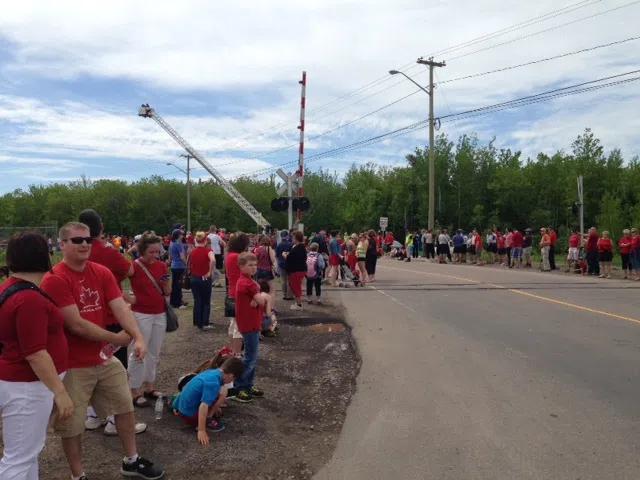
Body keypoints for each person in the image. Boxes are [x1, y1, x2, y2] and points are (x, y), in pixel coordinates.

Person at [40, 222, 164, 480]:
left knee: (124, 407)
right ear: (61, 244)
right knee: (72, 426)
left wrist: (138, 337)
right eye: (76, 240)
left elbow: (119, 306)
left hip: (103, 358)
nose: (84, 244)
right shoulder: (55, 278)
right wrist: (117, 338)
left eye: (87, 239)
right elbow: (75, 325)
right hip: (72, 363)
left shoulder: (101, 272)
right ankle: (78, 475)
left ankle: (131, 460)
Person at [0, 232, 73, 480]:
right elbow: (35, 353)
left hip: (23, 383)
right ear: (45, 256)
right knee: (18, 459)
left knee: (28, 453)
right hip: (28, 386)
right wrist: (61, 393)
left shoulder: (11, 288)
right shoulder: (28, 298)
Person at [77, 209, 146, 437]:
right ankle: (116, 421)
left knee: (90, 367)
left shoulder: (76, 252)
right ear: (102, 228)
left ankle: (93, 415)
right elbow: (131, 269)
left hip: (84, 320)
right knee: (116, 370)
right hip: (109, 319)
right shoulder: (106, 252)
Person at [129, 232, 171, 407]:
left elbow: (167, 290)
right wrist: (128, 298)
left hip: (159, 312)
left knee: (154, 352)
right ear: (141, 251)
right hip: (141, 313)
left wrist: (167, 281)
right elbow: (112, 282)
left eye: (157, 251)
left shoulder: (161, 265)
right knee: (139, 352)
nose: (155, 255)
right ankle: (134, 390)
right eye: (151, 252)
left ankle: (149, 386)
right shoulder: (134, 266)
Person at [171, 357, 244, 444]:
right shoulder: (214, 383)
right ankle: (208, 420)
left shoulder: (211, 372)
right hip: (190, 416)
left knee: (219, 391)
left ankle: (176, 403)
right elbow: (204, 405)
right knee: (224, 391)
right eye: (234, 379)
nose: (232, 381)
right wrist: (201, 430)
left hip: (181, 407)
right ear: (231, 376)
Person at [232, 252, 267, 403]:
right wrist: (259, 297)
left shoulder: (245, 281)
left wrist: (257, 298)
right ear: (241, 266)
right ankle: (239, 387)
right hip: (249, 323)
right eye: (250, 265)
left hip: (251, 322)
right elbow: (262, 301)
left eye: (255, 265)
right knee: (250, 358)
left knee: (252, 356)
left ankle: (248, 385)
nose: (253, 268)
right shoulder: (247, 283)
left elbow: (258, 300)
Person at [225, 233, 250, 355]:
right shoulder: (238, 257)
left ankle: (232, 350)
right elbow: (247, 271)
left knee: (232, 323)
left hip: (231, 291)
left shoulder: (229, 255)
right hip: (240, 293)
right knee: (239, 327)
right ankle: (237, 353)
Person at [189, 232, 216, 331]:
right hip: (204, 277)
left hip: (194, 277)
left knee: (197, 300)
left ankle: (198, 322)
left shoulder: (192, 252)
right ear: (205, 241)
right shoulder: (208, 251)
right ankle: (205, 322)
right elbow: (213, 260)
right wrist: (209, 271)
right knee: (206, 301)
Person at [285, 231, 308, 311]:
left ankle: (299, 304)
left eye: (293, 237)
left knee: (296, 287)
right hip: (296, 269)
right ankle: (297, 303)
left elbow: (291, 257)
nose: (291, 239)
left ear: (296, 238)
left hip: (297, 270)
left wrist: (285, 255)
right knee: (294, 286)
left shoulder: (299, 247)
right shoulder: (299, 246)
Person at [169, 229, 188, 309]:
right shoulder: (178, 244)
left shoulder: (172, 243)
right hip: (179, 266)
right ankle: (178, 303)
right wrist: (187, 265)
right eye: (181, 234)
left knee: (174, 285)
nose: (182, 236)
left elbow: (170, 254)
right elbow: (182, 257)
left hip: (174, 265)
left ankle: (174, 301)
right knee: (178, 285)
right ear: (178, 235)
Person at [276, 230, 293, 300]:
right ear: (287, 236)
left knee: (283, 280)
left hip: (281, 264)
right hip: (290, 264)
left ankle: (284, 295)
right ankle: (289, 295)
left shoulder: (279, 245)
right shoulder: (291, 244)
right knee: (290, 280)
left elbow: (277, 256)